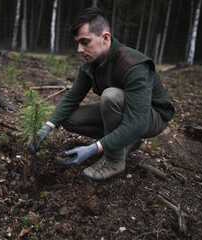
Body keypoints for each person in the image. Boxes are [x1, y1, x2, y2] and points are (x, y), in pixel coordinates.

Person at [28, 7, 175, 181]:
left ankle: (114, 161)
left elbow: (138, 123)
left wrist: (93, 148)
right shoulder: (91, 65)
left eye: (85, 42)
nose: (79, 49)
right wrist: (46, 127)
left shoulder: (133, 65)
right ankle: (126, 142)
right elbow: (71, 98)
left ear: (105, 38)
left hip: (151, 116)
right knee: (69, 119)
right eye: (78, 43)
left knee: (110, 96)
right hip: (123, 109)